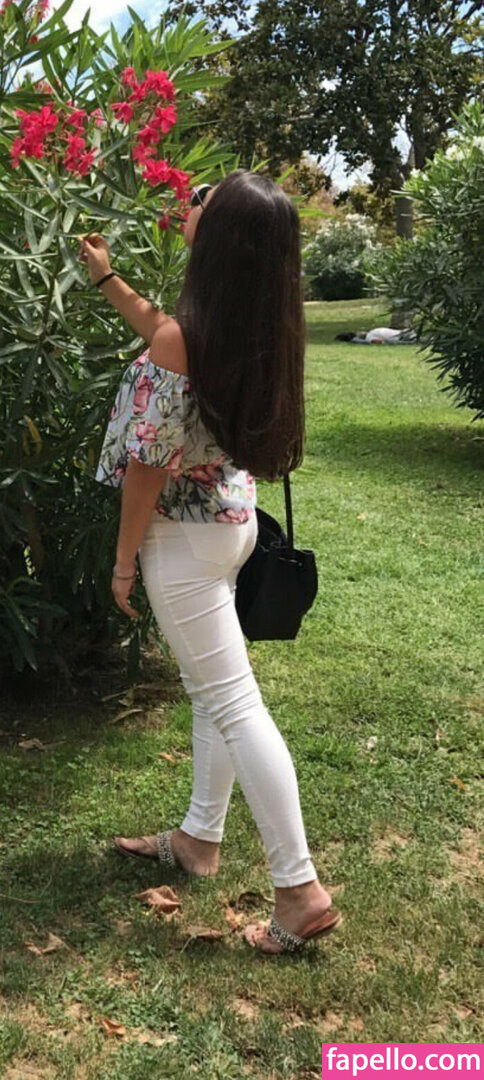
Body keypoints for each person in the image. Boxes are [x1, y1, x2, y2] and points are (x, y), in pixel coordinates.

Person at [78, 170, 342, 956]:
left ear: (220, 237)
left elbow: (148, 464)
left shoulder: (185, 337)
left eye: (203, 202)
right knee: (214, 695)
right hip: (231, 522)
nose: (189, 204)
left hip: (183, 540)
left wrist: (123, 560)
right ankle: (199, 837)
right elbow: (165, 331)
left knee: (232, 702)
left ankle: (299, 888)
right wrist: (109, 279)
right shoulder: (247, 322)